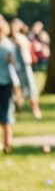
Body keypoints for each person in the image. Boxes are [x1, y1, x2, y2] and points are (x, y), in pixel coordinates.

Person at [10, 19, 42, 119]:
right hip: (16, 66)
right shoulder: (11, 39)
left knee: (31, 88)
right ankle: (14, 111)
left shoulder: (22, 37)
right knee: (16, 89)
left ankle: (35, 109)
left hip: (25, 65)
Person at [0, 16, 22, 154]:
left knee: (5, 113)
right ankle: (7, 144)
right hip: (7, 83)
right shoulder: (9, 46)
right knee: (7, 113)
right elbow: (14, 68)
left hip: (6, 83)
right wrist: (17, 87)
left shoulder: (8, 47)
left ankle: (7, 144)